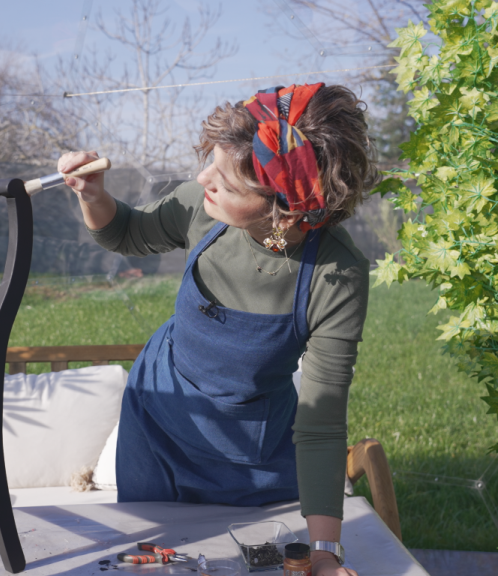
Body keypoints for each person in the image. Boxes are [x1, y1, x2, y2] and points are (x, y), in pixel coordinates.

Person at [60, 83, 376, 576]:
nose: (203, 176)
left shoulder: (336, 275)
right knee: (151, 564)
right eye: (211, 162)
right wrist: (94, 195)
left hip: (250, 453)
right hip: (156, 421)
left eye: (227, 183)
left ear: (283, 209)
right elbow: (123, 232)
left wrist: (324, 555)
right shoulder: (197, 208)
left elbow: (320, 425)